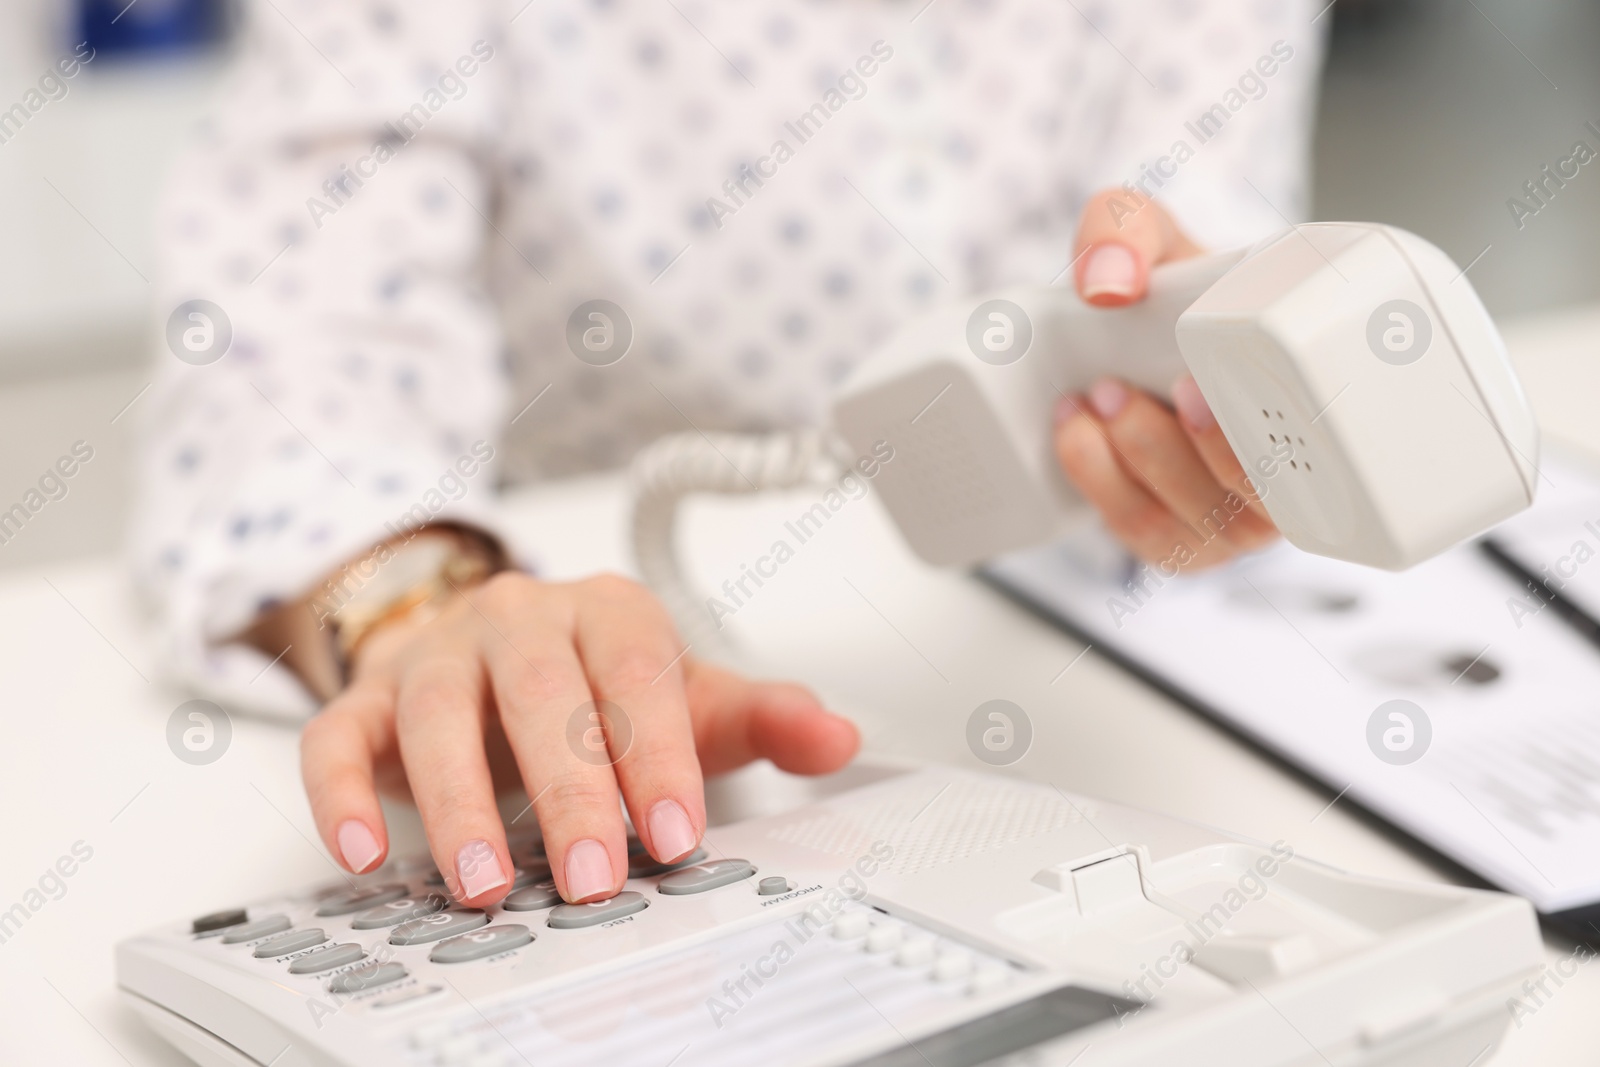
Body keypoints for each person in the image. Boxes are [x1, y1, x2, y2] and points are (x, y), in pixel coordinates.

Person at [134, 0, 1321, 907]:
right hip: (573, 626)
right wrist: (420, 605)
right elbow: (295, 327)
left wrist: (1209, 402)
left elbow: (1203, 197)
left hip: (1071, 672)